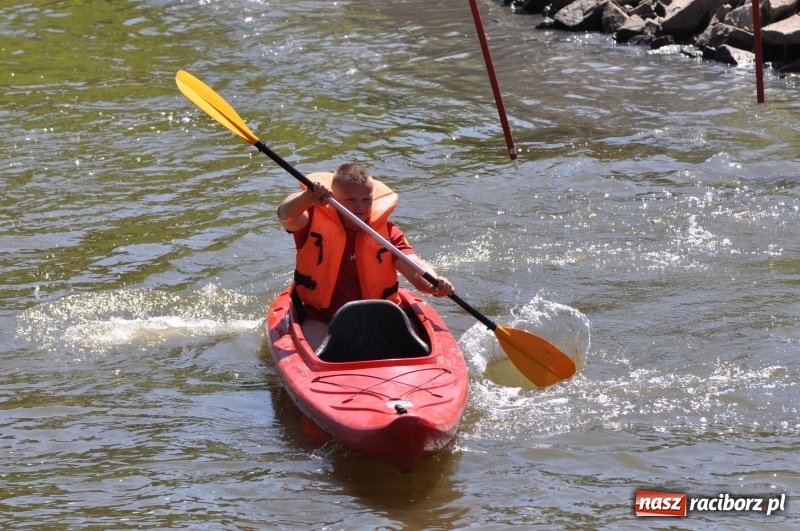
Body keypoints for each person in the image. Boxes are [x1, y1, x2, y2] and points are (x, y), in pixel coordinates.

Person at [277, 163, 455, 350]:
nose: (360, 207)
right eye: (351, 200)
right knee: (315, 352)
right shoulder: (311, 219)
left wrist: (435, 282)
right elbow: (285, 215)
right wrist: (307, 197)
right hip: (323, 318)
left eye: (366, 200)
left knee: (419, 350)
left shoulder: (386, 231)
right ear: (334, 197)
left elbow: (415, 267)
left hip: (381, 315)